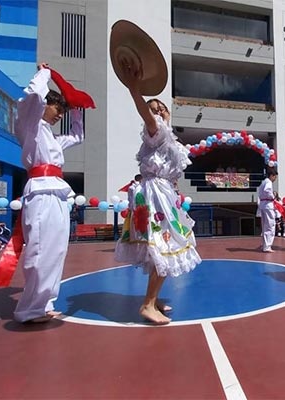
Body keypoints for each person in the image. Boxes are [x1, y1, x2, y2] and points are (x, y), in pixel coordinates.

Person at [0, 63, 86, 323]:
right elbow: (34, 95)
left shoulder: (53, 139)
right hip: (40, 192)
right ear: (45, 105)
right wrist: (46, 72)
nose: (60, 115)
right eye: (58, 109)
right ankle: (28, 309)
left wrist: (77, 111)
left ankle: (44, 302)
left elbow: (77, 136)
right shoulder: (29, 126)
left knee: (57, 249)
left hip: (57, 194)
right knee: (39, 248)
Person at [114, 61, 201, 325]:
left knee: (159, 247)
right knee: (167, 244)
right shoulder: (156, 131)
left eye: (161, 106)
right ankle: (148, 304)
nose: (159, 110)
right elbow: (146, 113)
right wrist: (134, 90)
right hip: (156, 193)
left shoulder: (166, 137)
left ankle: (154, 298)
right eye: (154, 109)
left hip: (162, 192)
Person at [256, 168, 278, 252]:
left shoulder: (263, 182)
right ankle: (267, 246)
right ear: (272, 176)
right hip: (268, 204)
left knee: (265, 226)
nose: (275, 179)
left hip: (263, 204)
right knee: (270, 225)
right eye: (275, 177)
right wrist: (272, 196)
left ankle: (265, 245)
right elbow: (267, 190)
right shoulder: (268, 182)